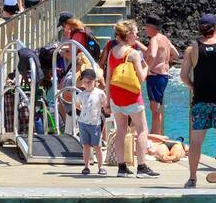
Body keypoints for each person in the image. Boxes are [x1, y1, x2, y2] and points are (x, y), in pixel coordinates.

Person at [179, 14, 216, 187]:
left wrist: (193, 86)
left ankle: (192, 179)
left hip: (200, 101)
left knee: (196, 142)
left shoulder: (192, 49)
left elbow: (183, 76)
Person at [105, 20, 157, 178]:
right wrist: (147, 67)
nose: (137, 35)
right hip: (131, 96)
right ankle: (141, 166)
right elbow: (141, 78)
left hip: (115, 96)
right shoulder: (133, 53)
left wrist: (108, 100)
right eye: (135, 33)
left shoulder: (112, 51)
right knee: (142, 130)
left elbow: (108, 77)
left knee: (121, 131)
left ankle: (122, 167)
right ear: (128, 35)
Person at [143, 15, 180, 137]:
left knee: (154, 110)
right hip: (163, 76)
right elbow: (176, 53)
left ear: (151, 27)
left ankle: (154, 137)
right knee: (158, 109)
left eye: (146, 26)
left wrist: (147, 70)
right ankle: (158, 135)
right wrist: (166, 62)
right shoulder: (164, 39)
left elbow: (153, 55)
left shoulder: (154, 39)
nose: (145, 29)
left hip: (155, 76)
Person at [74, 68, 106, 176]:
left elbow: (104, 104)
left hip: (95, 123)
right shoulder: (81, 94)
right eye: (85, 82)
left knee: (97, 146)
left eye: (90, 82)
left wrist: (106, 110)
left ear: (95, 82)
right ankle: (86, 166)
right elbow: (77, 105)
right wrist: (82, 109)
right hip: (83, 123)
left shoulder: (100, 93)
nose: (87, 84)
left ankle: (101, 166)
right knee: (86, 145)